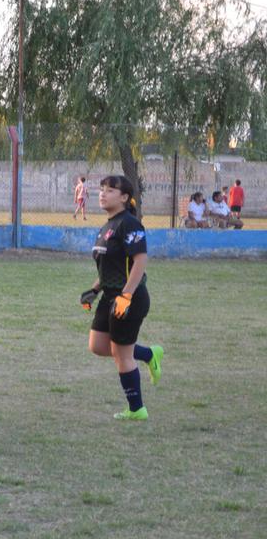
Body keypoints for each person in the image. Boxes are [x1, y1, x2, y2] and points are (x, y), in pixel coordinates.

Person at [80, 175, 164, 421]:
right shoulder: (107, 226)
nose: (102, 194)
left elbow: (140, 261)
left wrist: (126, 295)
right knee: (98, 346)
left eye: (110, 190)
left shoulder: (130, 224)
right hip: (109, 296)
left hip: (130, 297)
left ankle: (137, 409)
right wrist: (94, 290)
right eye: (101, 189)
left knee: (122, 354)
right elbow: (111, 267)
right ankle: (148, 354)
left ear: (125, 197)